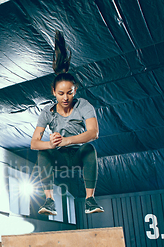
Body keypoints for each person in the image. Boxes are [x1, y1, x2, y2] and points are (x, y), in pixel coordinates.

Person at [30, 31, 104, 215]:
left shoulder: (84, 106)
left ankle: (90, 200)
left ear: (75, 90)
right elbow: (34, 143)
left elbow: (93, 133)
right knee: (42, 152)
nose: (65, 98)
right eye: (61, 94)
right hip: (59, 156)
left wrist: (67, 140)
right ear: (53, 92)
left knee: (90, 149)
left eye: (69, 93)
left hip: (77, 154)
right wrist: (51, 143)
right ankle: (49, 201)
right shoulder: (47, 111)